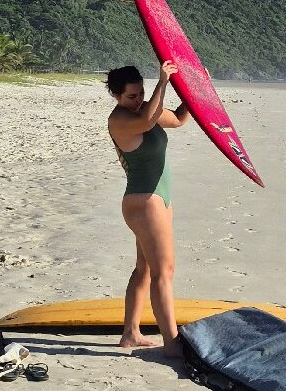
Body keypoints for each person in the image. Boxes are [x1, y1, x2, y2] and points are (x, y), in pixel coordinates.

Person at [106, 60, 191, 356]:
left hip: (160, 200)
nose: (137, 100)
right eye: (131, 96)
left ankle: (130, 333)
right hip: (143, 202)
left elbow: (179, 118)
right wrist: (162, 82)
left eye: (140, 94)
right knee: (164, 272)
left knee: (144, 269)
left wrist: (195, 90)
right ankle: (172, 343)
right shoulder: (119, 119)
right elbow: (146, 122)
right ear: (116, 96)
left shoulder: (144, 109)